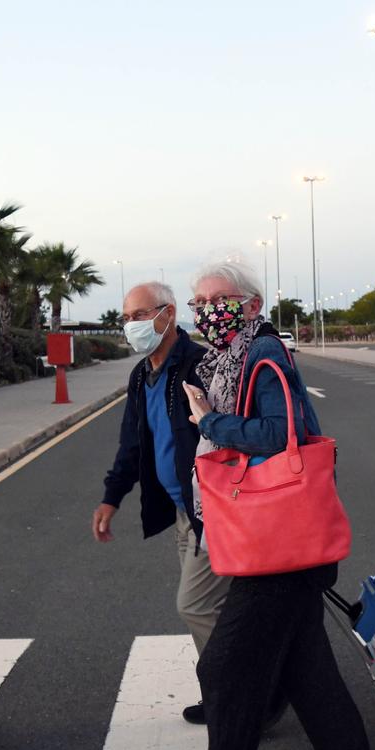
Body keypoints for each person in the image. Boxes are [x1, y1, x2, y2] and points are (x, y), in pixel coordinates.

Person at [155, 259, 375, 750]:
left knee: (225, 669)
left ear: (251, 305)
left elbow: (276, 433)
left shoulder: (263, 357)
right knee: (307, 674)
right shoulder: (234, 359)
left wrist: (212, 421)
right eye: (198, 299)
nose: (206, 308)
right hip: (285, 547)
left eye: (219, 298)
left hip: (280, 550)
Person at [94, 281, 227, 723]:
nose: (132, 325)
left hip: (215, 510)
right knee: (213, 610)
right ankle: (227, 693)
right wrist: (112, 497)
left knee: (196, 605)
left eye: (139, 315)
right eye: (126, 318)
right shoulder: (141, 375)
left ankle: (242, 701)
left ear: (168, 314)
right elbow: (132, 442)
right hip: (183, 511)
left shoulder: (197, 365)